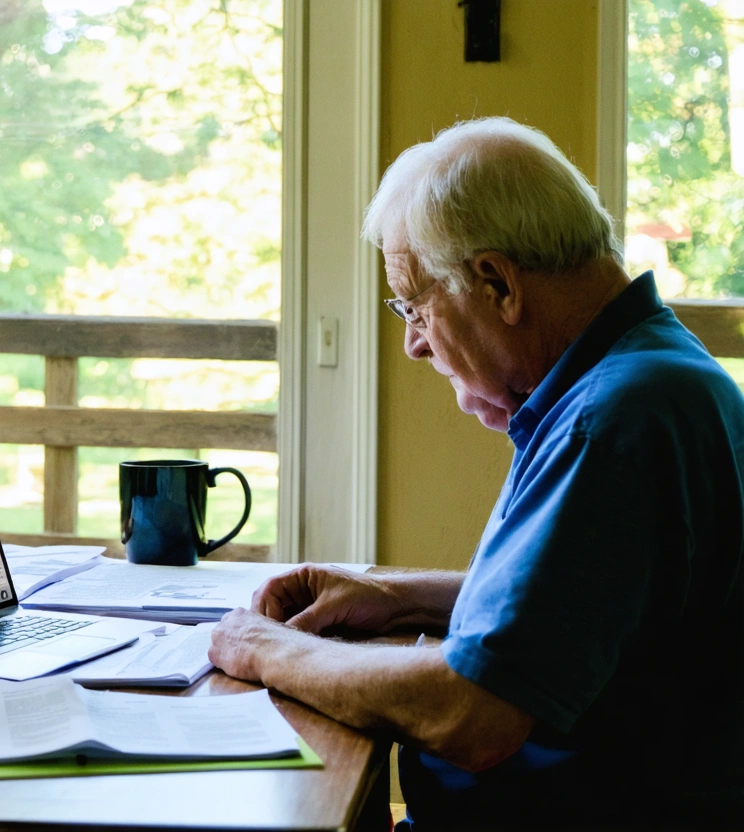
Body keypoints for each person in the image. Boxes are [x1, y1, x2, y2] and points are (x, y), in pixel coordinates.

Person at [208, 116, 744, 829]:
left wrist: (266, 648)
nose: (412, 344)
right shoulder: (655, 370)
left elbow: (475, 714)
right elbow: (587, 606)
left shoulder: (614, 418)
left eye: (414, 303)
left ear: (496, 283)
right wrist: (392, 597)